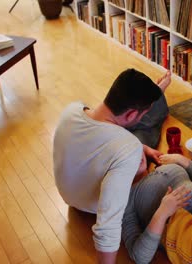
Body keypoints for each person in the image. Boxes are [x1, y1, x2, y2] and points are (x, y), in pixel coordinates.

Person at [53, 68, 171, 263]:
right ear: (132, 112)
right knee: (146, 128)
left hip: (69, 194)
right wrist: (138, 175)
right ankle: (156, 100)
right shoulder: (128, 147)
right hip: (90, 204)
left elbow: (100, 138)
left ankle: (155, 96)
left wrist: (140, 149)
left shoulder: (72, 109)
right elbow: (108, 223)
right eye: (139, 113)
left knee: (137, 133)